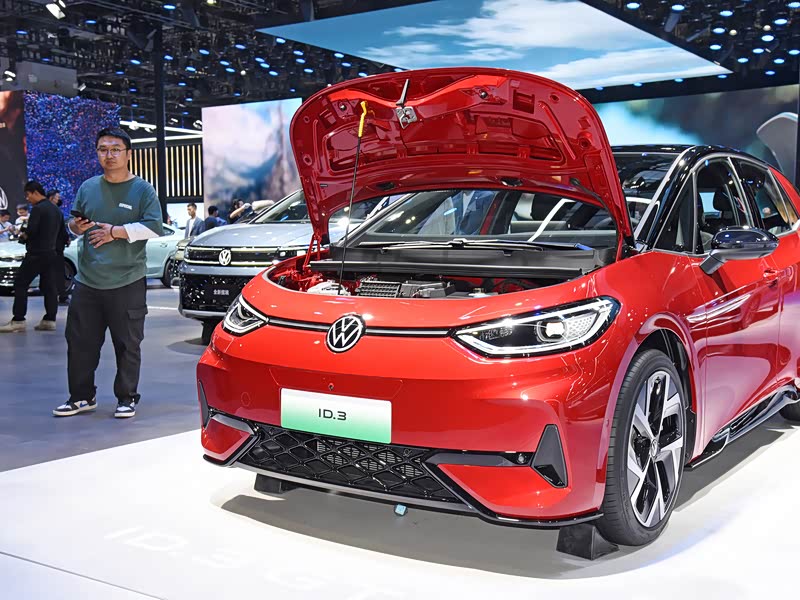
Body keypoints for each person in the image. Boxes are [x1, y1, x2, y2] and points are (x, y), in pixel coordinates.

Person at [53, 127, 163, 419]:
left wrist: (115, 231)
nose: (109, 155)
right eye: (103, 149)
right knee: (80, 343)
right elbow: (74, 224)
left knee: (127, 344)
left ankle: (126, 398)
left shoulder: (142, 190)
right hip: (87, 281)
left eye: (115, 149)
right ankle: (81, 397)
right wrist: (76, 227)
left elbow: (154, 227)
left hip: (127, 280)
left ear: (128, 154)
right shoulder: (88, 187)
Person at [0, 181, 64, 333]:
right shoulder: (56, 210)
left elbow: (31, 231)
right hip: (51, 253)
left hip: (36, 254)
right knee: (49, 287)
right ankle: (50, 320)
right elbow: (62, 233)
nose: (27, 199)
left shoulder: (38, 209)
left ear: (35, 192)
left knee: (20, 284)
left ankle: (18, 320)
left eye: (28, 195)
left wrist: (23, 235)